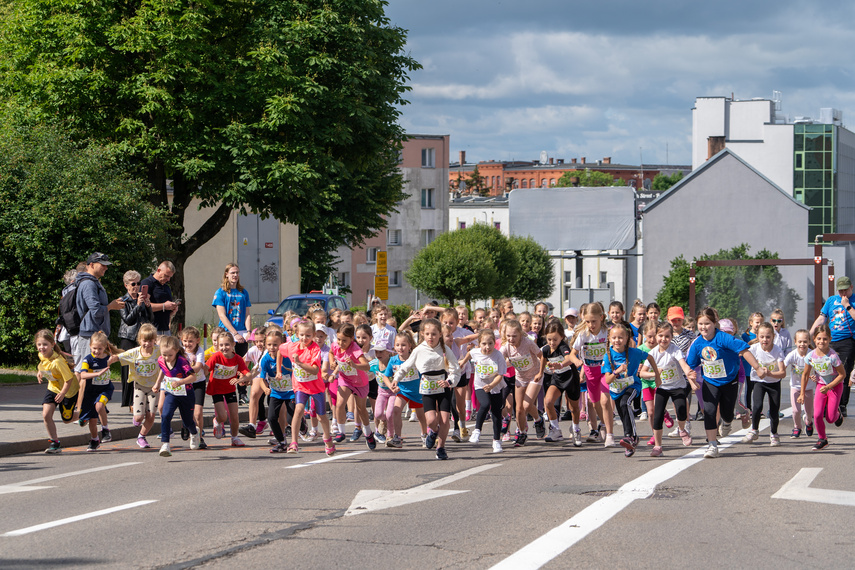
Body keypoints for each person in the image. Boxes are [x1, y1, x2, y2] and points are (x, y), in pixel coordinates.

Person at [686, 308, 764, 458]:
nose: (703, 327)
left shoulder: (724, 338)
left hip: (730, 380)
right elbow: (690, 366)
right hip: (710, 382)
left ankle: (727, 422)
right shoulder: (697, 344)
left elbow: (744, 350)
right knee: (709, 411)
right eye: (700, 324)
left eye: (707, 324)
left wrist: (758, 368)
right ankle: (712, 445)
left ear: (714, 323)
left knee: (727, 414)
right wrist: (691, 381)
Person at [393, 318, 461, 460]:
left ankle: (441, 448)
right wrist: (396, 379)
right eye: (428, 334)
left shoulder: (445, 349)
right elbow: (406, 366)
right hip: (427, 389)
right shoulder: (419, 350)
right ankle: (433, 432)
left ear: (440, 334)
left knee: (445, 420)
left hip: (443, 387)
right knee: (431, 420)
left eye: (434, 334)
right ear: (423, 334)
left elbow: (456, 369)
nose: (431, 337)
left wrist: (449, 381)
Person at [601, 323, 659, 457]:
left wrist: (657, 375)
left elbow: (650, 357)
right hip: (616, 389)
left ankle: (631, 437)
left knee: (625, 403)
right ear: (609, 338)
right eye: (614, 338)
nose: (617, 340)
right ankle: (630, 443)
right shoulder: (608, 356)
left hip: (632, 385)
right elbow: (608, 379)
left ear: (627, 338)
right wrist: (617, 371)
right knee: (623, 413)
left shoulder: (634, 352)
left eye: (620, 337)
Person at [278, 320, 335, 455]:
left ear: (314, 335)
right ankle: (294, 442)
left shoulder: (315, 349)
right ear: (297, 334)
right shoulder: (292, 347)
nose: (305, 338)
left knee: (321, 416)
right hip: (300, 386)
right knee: (298, 410)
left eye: (308, 335)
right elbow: (280, 350)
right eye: (302, 335)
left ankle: (327, 439)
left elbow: (315, 370)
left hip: (316, 387)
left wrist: (299, 363)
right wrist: (279, 370)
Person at [640, 323, 696, 456]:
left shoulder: (675, 350)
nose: (663, 339)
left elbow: (683, 364)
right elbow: (642, 373)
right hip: (662, 388)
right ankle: (658, 446)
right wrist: (656, 374)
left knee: (682, 411)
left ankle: (682, 429)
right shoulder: (652, 353)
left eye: (667, 336)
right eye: (660, 336)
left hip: (677, 386)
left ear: (671, 337)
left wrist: (689, 372)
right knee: (657, 417)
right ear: (656, 336)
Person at [71, 252, 124, 377]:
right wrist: (111, 306)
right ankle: (79, 397)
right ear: (92, 265)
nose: (106, 268)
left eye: (106, 265)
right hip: (90, 334)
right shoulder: (88, 284)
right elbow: (96, 311)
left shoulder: (94, 282)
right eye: (103, 265)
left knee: (93, 373)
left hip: (94, 334)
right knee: (84, 373)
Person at [811, 276, 855, 417]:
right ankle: (827, 403)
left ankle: (841, 404)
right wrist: (809, 333)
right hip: (832, 340)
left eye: (846, 290)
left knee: (844, 372)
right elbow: (822, 318)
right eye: (840, 290)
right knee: (827, 370)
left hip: (848, 340)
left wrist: (847, 305)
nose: (843, 293)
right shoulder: (831, 301)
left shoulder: (852, 301)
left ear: (851, 288)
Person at [570, 303, 612, 446]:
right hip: (590, 372)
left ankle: (609, 433)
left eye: (594, 321)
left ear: (601, 318)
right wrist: (577, 361)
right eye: (587, 322)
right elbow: (572, 354)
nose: (591, 324)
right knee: (594, 403)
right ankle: (604, 424)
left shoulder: (607, 332)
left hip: (604, 371)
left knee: (605, 400)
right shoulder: (583, 334)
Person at [460, 329, 508, 452]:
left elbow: (500, 375)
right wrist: (463, 362)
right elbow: (469, 353)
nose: (487, 347)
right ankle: (477, 430)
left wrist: (492, 385)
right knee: (485, 404)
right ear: (479, 343)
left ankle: (497, 441)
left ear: (494, 343)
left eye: (490, 343)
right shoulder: (476, 352)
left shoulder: (498, 356)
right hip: (480, 385)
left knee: (497, 414)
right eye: (484, 344)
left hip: (495, 386)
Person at [799, 325, 846, 450]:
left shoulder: (833, 356)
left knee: (830, 419)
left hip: (835, 386)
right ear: (814, 339)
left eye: (825, 339)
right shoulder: (810, 356)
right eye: (819, 338)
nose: (821, 342)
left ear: (830, 339)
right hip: (821, 386)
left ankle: (837, 414)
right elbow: (805, 374)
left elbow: (842, 375)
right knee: (818, 414)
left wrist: (829, 386)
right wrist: (802, 393)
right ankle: (822, 439)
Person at [327, 324, 374, 449]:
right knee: (340, 404)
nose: (340, 343)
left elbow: (367, 366)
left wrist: (354, 365)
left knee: (361, 409)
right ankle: (341, 432)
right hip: (345, 379)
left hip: (360, 382)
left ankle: (368, 433)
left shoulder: (355, 350)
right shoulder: (336, 345)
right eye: (339, 339)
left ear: (351, 339)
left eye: (344, 340)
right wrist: (332, 362)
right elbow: (331, 352)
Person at [741, 322, 786, 446]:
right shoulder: (754, 348)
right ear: (757, 337)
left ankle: (774, 434)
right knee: (757, 406)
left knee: (774, 410)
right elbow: (743, 353)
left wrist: (769, 373)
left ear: (773, 337)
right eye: (761, 337)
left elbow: (782, 373)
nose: (764, 340)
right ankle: (754, 430)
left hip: (774, 383)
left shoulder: (777, 351)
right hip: (759, 382)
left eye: (768, 337)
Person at [154, 336, 201, 456]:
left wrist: (180, 382)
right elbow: (162, 369)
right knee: (165, 415)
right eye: (164, 354)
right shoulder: (161, 360)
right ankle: (165, 444)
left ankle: (195, 433)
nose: (167, 358)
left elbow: (193, 377)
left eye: (170, 355)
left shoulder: (182, 361)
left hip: (186, 394)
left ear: (176, 350)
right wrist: (157, 383)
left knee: (187, 420)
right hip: (171, 393)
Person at [500, 319, 545, 445]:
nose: (511, 339)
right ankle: (522, 432)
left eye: (514, 336)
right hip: (520, 377)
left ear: (520, 334)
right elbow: (497, 358)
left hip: (534, 376)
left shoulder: (528, 343)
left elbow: (542, 356)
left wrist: (540, 373)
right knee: (519, 409)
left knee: (526, 405)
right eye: (508, 336)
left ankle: (538, 420)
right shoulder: (506, 347)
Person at [75, 331, 121, 452]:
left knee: (99, 406)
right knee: (92, 421)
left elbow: (124, 356)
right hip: (91, 392)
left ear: (105, 347)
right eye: (94, 348)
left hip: (105, 389)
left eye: (100, 348)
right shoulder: (87, 360)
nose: (97, 351)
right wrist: (97, 373)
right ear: (90, 346)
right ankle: (95, 440)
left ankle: (105, 430)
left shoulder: (108, 358)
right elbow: (83, 375)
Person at [117, 324, 160, 449]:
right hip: (139, 386)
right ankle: (137, 417)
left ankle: (141, 436)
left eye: (150, 341)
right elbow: (118, 357)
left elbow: (171, 351)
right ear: (139, 340)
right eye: (144, 341)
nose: (147, 344)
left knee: (151, 415)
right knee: (139, 417)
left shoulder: (158, 351)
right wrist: (106, 361)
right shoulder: (134, 353)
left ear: (154, 340)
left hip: (154, 387)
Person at [205, 331, 252, 447]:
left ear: (233, 345)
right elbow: (205, 370)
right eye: (221, 345)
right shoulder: (215, 357)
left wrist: (240, 380)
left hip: (230, 389)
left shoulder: (237, 359)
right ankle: (217, 420)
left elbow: (248, 374)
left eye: (227, 345)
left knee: (234, 415)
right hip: (216, 389)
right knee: (223, 416)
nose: (224, 348)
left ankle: (235, 438)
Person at [538, 321, 581, 446]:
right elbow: (543, 358)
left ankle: (576, 429)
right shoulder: (546, 349)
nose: (552, 342)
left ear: (561, 337)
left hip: (570, 378)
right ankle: (555, 429)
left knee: (574, 408)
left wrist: (561, 364)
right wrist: (540, 373)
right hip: (557, 378)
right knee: (548, 401)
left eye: (555, 339)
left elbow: (568, 358)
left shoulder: (563, 347)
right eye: (549, 339)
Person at [35, 329, 79, 454]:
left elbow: (69, 379)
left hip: (68, 390)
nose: (42, 348)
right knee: (46, 415)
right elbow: (43, 363)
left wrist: (63, 393)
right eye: (39, 345)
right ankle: (54, 442)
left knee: (66, 419)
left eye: (45, 345)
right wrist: (40, 372)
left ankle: (86, 414)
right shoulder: (42, 355)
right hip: (53, 388)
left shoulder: (58, 361)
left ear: (52, 344)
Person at [118, 270, 153, 409]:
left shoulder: (141, 299)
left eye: (138, 283)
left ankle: (139, 399)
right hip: (128, 338)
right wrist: (138, 306)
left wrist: (148, 305)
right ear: (126, 285)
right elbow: (128, 320)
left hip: (141, 338)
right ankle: (129, 402)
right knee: (128, 371)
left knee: (141, 370)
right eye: (133, 284)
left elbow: (150, 319)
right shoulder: (122, 301)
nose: (136, 286)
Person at [212, 263, 252, 357]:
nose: (235, 275)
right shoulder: (220, 292)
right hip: (226, 332)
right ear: (226, 274)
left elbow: (247, 314)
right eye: (232, 273)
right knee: (226, 361)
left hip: (242, 332)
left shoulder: (243, 292)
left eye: (237, 273)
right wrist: (235, 333)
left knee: (242, 361)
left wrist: (249, 332)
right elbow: (222, 315)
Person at [181, 327, 209, 449]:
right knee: (186, 410)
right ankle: (185, 425)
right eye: (185, 341)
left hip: (198, 383)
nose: (188, 344)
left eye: (191, 341)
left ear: (197, 340)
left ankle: (199, 437)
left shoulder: (200, 351)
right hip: (185, 383)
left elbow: (198, 366)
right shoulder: (180, 351)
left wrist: (189, 370)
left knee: (198, 413)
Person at [785, 329, 814, 438]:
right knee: (796, 410)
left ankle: (809, 422)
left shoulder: (812, 355)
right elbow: (783, 365)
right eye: (800, 341)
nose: (802, 344)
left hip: (808, 387)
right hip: (795, 387)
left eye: (805, 341)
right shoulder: (792, 354)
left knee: (809, 411)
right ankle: (797, 427)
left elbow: (817, 368)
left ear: (809, 342)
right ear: (795, 342)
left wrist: (815, 375)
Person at [140, 261, 178, 336]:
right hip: (151, 330)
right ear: (158, 270)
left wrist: (172, 310)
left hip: (165, 329)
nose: (168, 279)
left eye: (170, 277)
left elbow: (166, 309)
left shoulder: (166, 287)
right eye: (166, 276)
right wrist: (164, 306)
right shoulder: (147, 283)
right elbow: (144, 306)